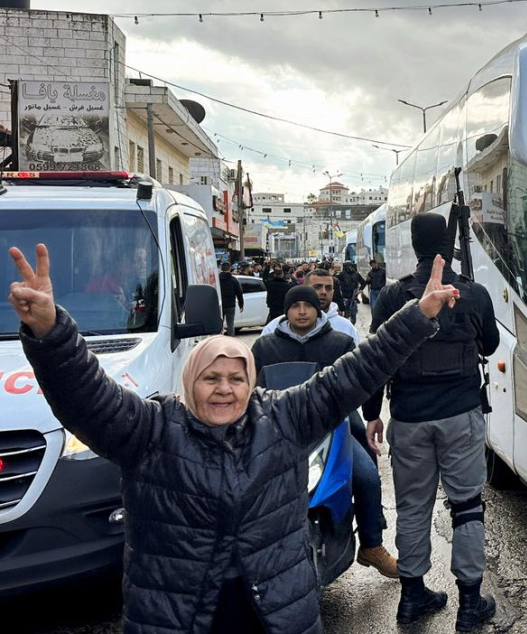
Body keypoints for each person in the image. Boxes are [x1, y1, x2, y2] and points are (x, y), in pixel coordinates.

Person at [7, 243, 459, 634]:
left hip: (278, 616)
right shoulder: (151, 430)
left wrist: (418, 316)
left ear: (251, 382)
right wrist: (51, 332)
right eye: (210, 377)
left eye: (235, 377)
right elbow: (87, 398)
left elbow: (357, 371)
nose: (224, 387)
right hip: (177, 617)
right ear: (189, 382)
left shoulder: (285, 416)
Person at [364, 213, 501, 629]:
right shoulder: (472, 293)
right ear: (449, 242)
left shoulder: (391, 297)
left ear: (412, 243)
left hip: (408, 417)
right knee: (467, 506)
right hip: (460, 414)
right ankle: (471, 603)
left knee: (412, 507)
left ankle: (412, 597)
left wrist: (372, 414)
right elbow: (491, 344)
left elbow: (377, 355)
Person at [250, 285, 400, 580]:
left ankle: (372, 544)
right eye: (295, 306)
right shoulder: (264, 347)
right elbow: (250, 388)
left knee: (367, 475)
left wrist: (366, 412)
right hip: (279, 430)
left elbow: (361, 380)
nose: (302, 311)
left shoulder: (340, 342)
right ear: (286, 310)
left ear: (317, 309)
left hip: (334, 424)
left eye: (307, 306)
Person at [262, 268, 360, 345]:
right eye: (317, 287)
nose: (323, 292)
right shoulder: (275, 328)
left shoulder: (346, 328)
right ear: (304, 289)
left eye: (328, 288)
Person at [218, 262, 244, 336]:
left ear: (221, 268)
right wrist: (241, 304)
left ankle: (219, 338)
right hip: (230, 304)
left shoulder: (217, 279)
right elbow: (239, 293)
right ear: (229, 268)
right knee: (230, 323)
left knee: (219, 323)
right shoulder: (233, 280)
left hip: (219, 304)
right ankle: (231, 339)